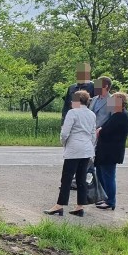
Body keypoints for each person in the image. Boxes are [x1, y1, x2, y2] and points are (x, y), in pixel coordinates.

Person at [45, 89, 96, 217]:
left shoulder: (72, 113)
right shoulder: (91, 114)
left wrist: (64, 143)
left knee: (66, 179)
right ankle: (80, 206)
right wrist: (90, 145)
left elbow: (65, 132)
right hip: (86, 149)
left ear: (77, 101)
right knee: (81, 179)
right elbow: (93, 134)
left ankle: (59, 205)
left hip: (74, 149)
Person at [94, 91, 128, 210]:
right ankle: (105, 197)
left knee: (108, 176)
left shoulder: (121, 116)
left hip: (110, 152)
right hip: (105, 151)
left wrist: (100, 131)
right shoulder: (116, 115)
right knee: (101, 174)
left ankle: (110, 201)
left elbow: (106, 132)